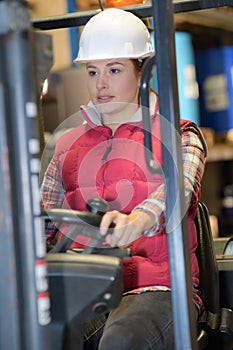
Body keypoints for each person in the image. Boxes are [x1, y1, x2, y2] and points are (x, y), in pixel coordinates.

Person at [40, 8, 207, 350]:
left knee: (120, 341)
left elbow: (178, 191)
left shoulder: (182, 136)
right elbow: (44, 222)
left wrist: (138, 219)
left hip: (158, 289)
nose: (100, 84)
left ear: (142, 72)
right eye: (92, 71)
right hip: (84, 287)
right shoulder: (65, 148)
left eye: (114, 70)